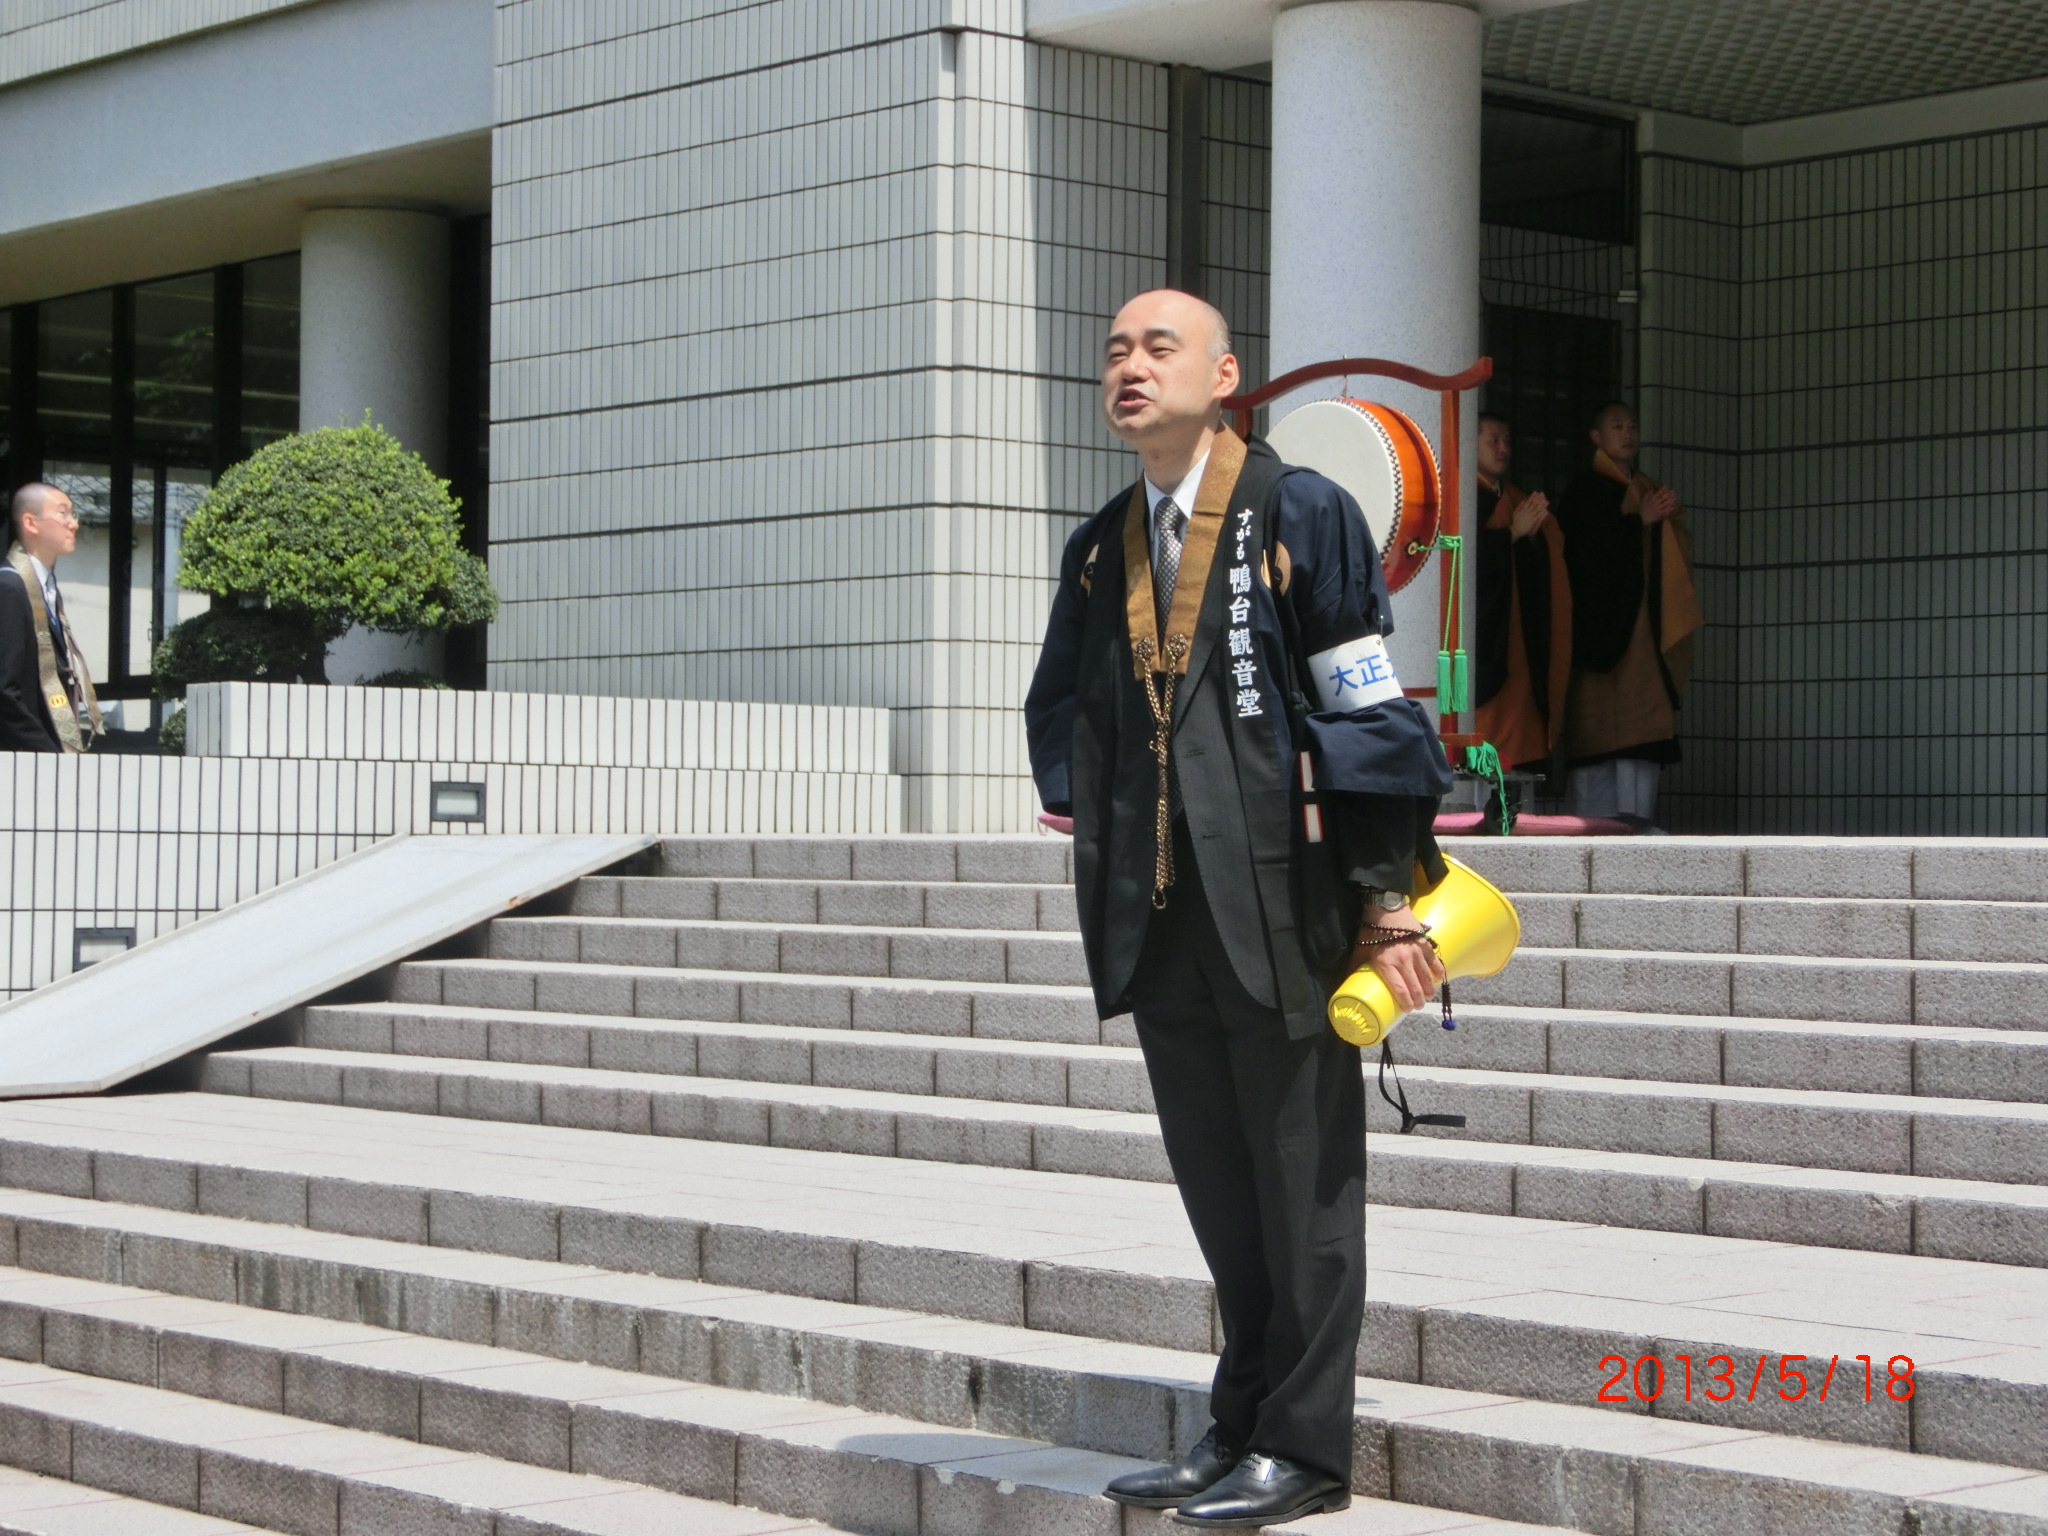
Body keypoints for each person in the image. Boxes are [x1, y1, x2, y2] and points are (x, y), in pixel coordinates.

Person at [1024, 290, 1451, 1528]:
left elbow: (1365, 712)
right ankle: (1240, 1420)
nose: (1130, 364)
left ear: (1225, 377)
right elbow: (1060, 710)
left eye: (1158, 347)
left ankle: (1303, 1448)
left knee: (1299, 1187)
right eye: (1115, 349)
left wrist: (1382, 900)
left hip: (1281, 909)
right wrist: (1109, 823)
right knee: (1219, 1188)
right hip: (1158, 912)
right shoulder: (1102, 545)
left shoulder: (1298, 512)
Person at [1552, 402, 1698, 828]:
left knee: (1643, 733)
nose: (1627, 433)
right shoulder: (1586, 490)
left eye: (1632, 426)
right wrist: (1640, 521)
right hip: (1603, 637)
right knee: (1597, 743)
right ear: (1596, 438)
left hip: (1643, 632)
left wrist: (1665, 519)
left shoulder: (1645, 486)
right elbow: (1584, 558)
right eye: (1616, 426)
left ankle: (1638, 828)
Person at [1473, 413, 1570, 779]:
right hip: (1488, 641)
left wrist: (1531, 537)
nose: (1503, 449)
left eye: (1507, 441)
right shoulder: (1462, 498)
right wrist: (1511, 534)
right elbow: (1462, 565)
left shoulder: (1515, 498)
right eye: (1493, 440)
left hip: (1519, 638)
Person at [0, 483, 102, 754]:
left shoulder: (46, 589)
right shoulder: (9, 588)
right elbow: (4, 692)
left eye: (73, 514)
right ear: (30, 523)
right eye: (62, 513)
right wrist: (48, 754)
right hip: (18, 758)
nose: (73, 524)